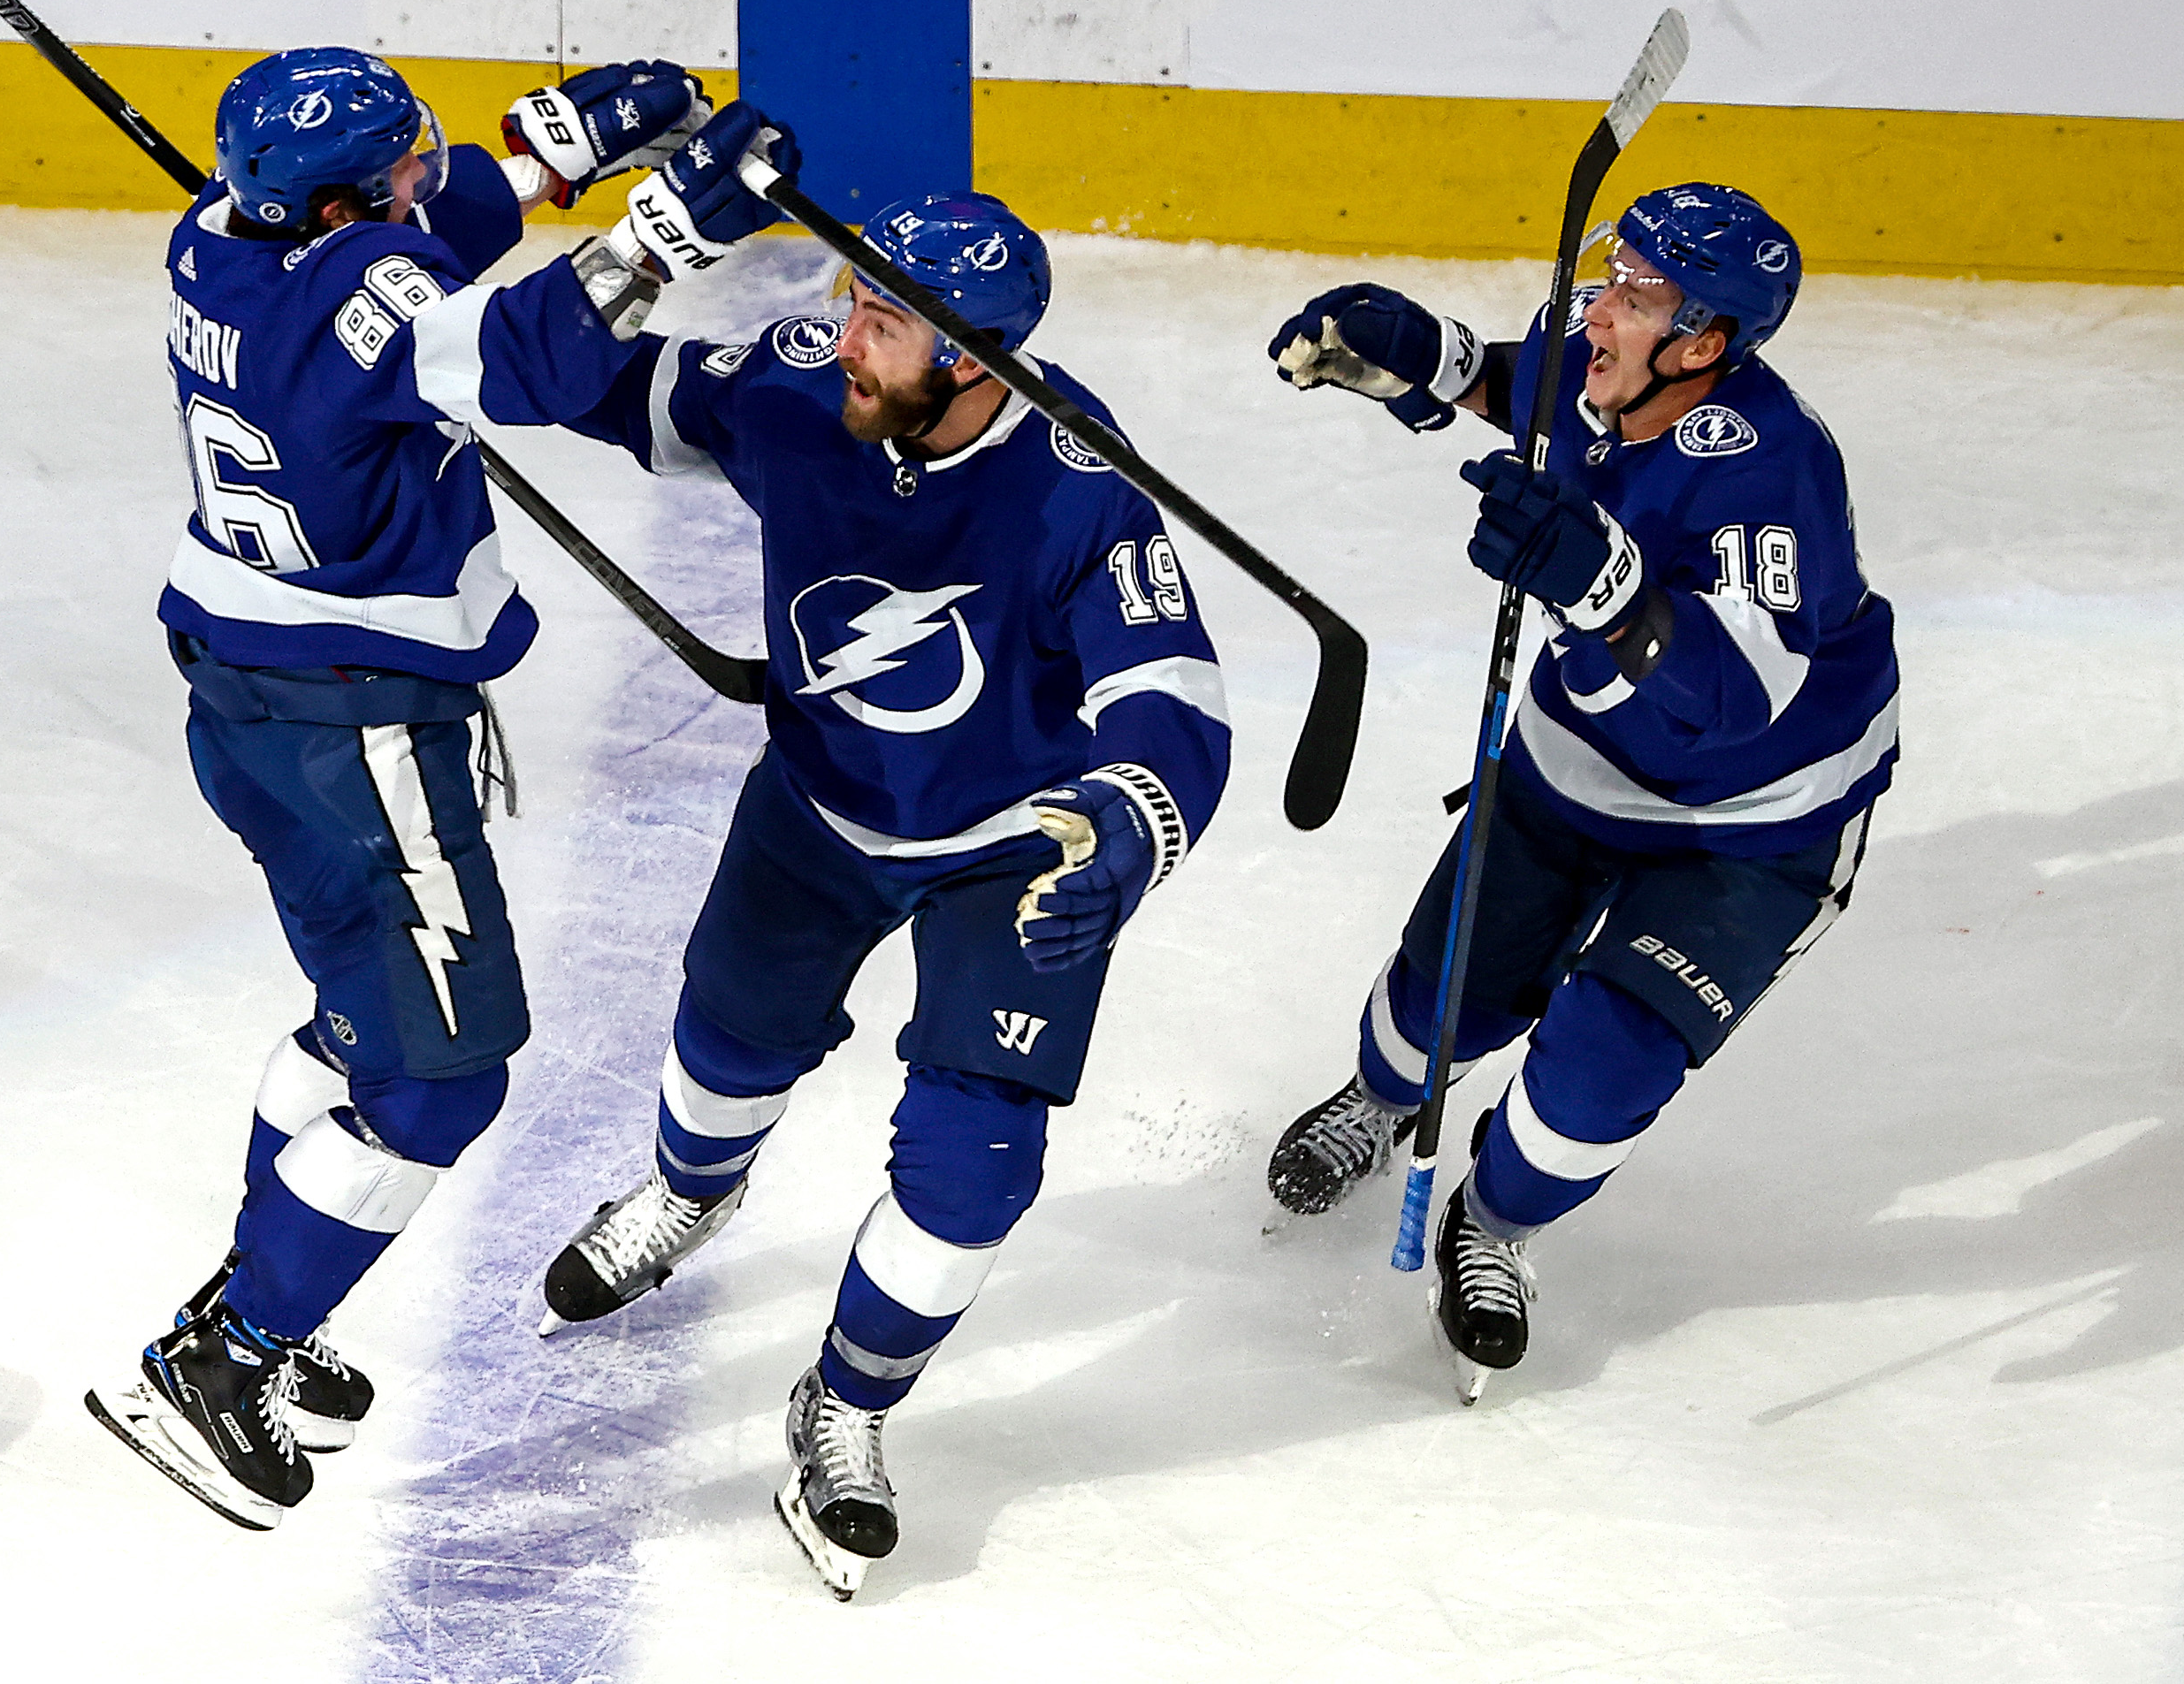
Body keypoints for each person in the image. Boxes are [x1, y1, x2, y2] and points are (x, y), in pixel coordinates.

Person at [85, 44, 800, 1528]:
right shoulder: (368, 301)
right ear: (343, 207)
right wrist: (666, 222)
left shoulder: (215, 240)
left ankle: (264, 1282)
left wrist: (558, 148)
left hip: (248, 692)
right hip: (359, 732)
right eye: (406, 164)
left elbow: (406, 255)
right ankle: (224, 1359)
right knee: (441, 1068)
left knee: (361, 1024)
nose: (429, 174)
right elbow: (533, 356)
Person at [527, 193, 1233, 1597]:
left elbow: (1172, 695)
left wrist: (1125, 826)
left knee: (979, 1169)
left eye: (886, 323)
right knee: (725, 1038)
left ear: (975, 360)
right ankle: (688, 1192)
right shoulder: (802, 382)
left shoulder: (1079, 481)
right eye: (854, 302)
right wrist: (593, 262)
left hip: (1016, 842)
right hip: (818, 804)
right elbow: (578, 380)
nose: (848, 336)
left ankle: (844, 1403)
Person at [1259, 184, 1898, 1401]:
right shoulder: (1620, 369)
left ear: (1703, 344)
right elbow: (1529, 385)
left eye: (1633, 297)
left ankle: (1491, 1225)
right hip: (1574, 768)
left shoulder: (1773, 471)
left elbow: (1737, 701)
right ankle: (1382, 1098)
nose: (1597, 312)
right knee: (1433, 1002)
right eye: (1607, 279)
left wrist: (1603, 587)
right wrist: (1417, 359)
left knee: (1604, 1068)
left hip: (1756, 819)